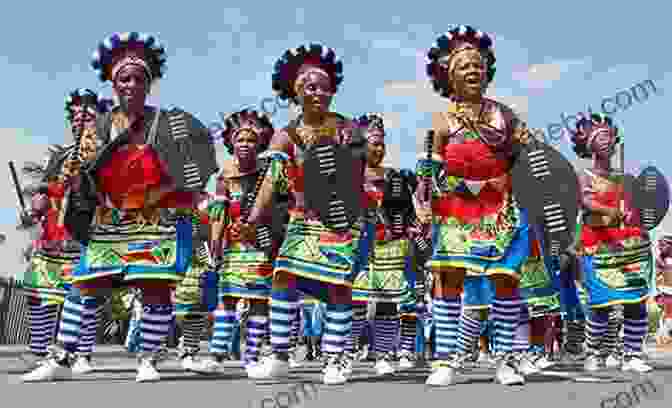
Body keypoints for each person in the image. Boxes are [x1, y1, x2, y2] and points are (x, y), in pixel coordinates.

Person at [21, 31, 218, 383]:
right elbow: (83, 178)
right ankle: (62, 360)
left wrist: (177, 193)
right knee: (85, 285)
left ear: (149, 83)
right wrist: (68, 183)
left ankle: (147, 360)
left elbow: (193, 168)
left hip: (155, 220)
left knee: (154, 287)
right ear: (113, 84)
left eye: (138, 78)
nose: (131, 84)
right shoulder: (99, 127)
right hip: (109, 221)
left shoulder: (169, 123)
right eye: (123, 78)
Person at [417, 25, 536, 386]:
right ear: (448, 75)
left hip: (501, 209)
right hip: (455, 210)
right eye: (464, 65)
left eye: (478, 64)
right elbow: (428, 167)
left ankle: (507, 360)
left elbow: (527, 158)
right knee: (449, 278)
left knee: (505, 280)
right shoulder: (441, 119)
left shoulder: (506, 115)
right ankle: (444, 361)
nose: (473, 70)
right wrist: (425, 206)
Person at [245, 43, 366, 385]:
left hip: (341, 221)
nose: (317, 91)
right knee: (283, 276)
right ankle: (281, 354)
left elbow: (355, 175)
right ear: (296, 93)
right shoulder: (286, 135)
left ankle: (336, 358)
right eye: (309, 86)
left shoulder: (348, 129)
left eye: (324, 86)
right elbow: (270, 179)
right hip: (301, 221)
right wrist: (254, 217)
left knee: (339, 286)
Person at [17, 89, 107, 376]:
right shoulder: (59, 156)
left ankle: (82, 354)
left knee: (86, 298)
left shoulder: (107, 155)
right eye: (75, 116)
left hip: (87, 235)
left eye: (88, 115)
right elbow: (43, 192)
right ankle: (42, 352)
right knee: (38, 293)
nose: (80, 120)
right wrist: (34, 209)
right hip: (52, 236)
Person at [569, 113, 652, 373]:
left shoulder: (625, 179)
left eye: (608, 136)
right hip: (597, 242)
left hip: (626, 245)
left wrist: (636, 222)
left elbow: (636, 210)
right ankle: (594, 352)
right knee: (601, 303)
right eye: (599, 137)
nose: (605, 141)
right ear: (587, 143)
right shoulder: (583, 175)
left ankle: (632, 354)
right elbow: (585, 202)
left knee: (635, 300)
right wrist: (610, 212)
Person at [195, 109, 276, 374]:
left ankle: (252, 357)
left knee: (259, 300)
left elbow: (278, 210)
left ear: (261, 143)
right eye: (240, 140)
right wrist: (215, 249)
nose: (245, 145)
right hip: (233, 249)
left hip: (261, 247)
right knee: (226, 299)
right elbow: (218, 215)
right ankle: (217, 356)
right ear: (230, 142)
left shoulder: (269, 172)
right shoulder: (224, 176)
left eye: (251, 140)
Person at [349, 113, 422, 375]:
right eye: (373, 143)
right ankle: (344, 354)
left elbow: (409, 212)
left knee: (387, 304)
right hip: (356, 247)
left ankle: (383, 355)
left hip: (391, 248)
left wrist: (411, 228)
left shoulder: (393, 176)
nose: (378, 149)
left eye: (382, 143)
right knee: (353, 303)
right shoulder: (348, 177)